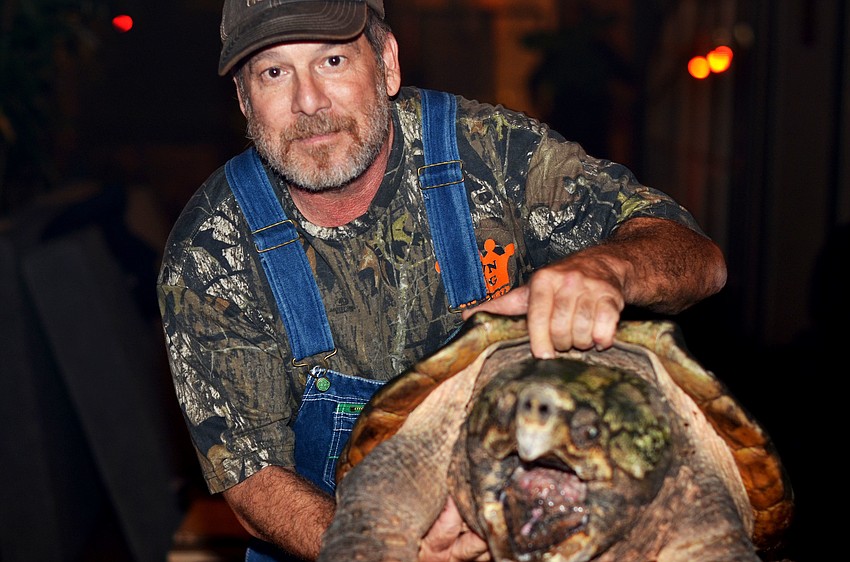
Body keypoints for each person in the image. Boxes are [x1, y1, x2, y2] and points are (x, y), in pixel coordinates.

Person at [156, 1, 727, 560]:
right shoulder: (212, 249)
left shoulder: (494, 155)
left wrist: (609, 267)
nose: (309, 103)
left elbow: (698, 259)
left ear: (387, 63)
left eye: (333, 61)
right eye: (274, 73)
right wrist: (380, 547)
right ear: (244, 99)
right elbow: (251, 479)